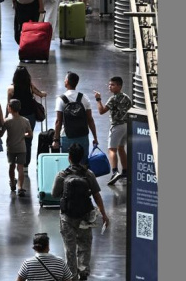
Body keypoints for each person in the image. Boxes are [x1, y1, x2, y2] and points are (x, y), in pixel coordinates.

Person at [51, 143, 109, 280]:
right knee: (85, 245)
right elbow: (96, 195)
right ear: (82, 157)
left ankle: (72, 276)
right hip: (85, 215)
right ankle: (83, 272)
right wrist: (104, 214)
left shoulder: (62, 175)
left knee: (69, 249)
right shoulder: (88, 174)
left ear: (69, 157)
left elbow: (54, 194)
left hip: (67, 216)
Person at [51, 71, 99, 164]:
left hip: (67, 136)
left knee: (68, 163)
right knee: (84, 163)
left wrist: (56, 140)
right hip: (83, 136)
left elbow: (58, 121)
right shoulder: (84, 98)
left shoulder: (61, 99)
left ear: (67, 82)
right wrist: (95, 138)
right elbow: (90, 119)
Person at [94, 76, 133, 185]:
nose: (110, 87)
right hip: (126, 126)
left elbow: (101, 111)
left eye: (113, 85)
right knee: (121, 148)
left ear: (119, 86)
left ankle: (115, 171)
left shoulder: (113, 99)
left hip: (117, 126)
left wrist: (98, 99)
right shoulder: (127, 97)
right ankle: (125, 172)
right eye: (109, 84)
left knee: (112, 149)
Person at [7, 65, 47, 168]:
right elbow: (41, 94)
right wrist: (44, 94)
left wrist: (6, 117)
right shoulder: (30, 86)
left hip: (16, 117)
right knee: (28, 140)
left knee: (16, 138)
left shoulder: (11, 89)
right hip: (30, 117)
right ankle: (25, 165)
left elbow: (8, 105)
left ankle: (15, 162)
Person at [3, 99, 32, 196]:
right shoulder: (25, 121)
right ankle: (20, 187)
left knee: (11, 166)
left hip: (11, 147)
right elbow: (30, 134)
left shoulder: (7, 121)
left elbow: (1, 132)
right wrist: (23, 134)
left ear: (10, 108)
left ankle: (12, 183)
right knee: (20, 167)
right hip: (22, 147)